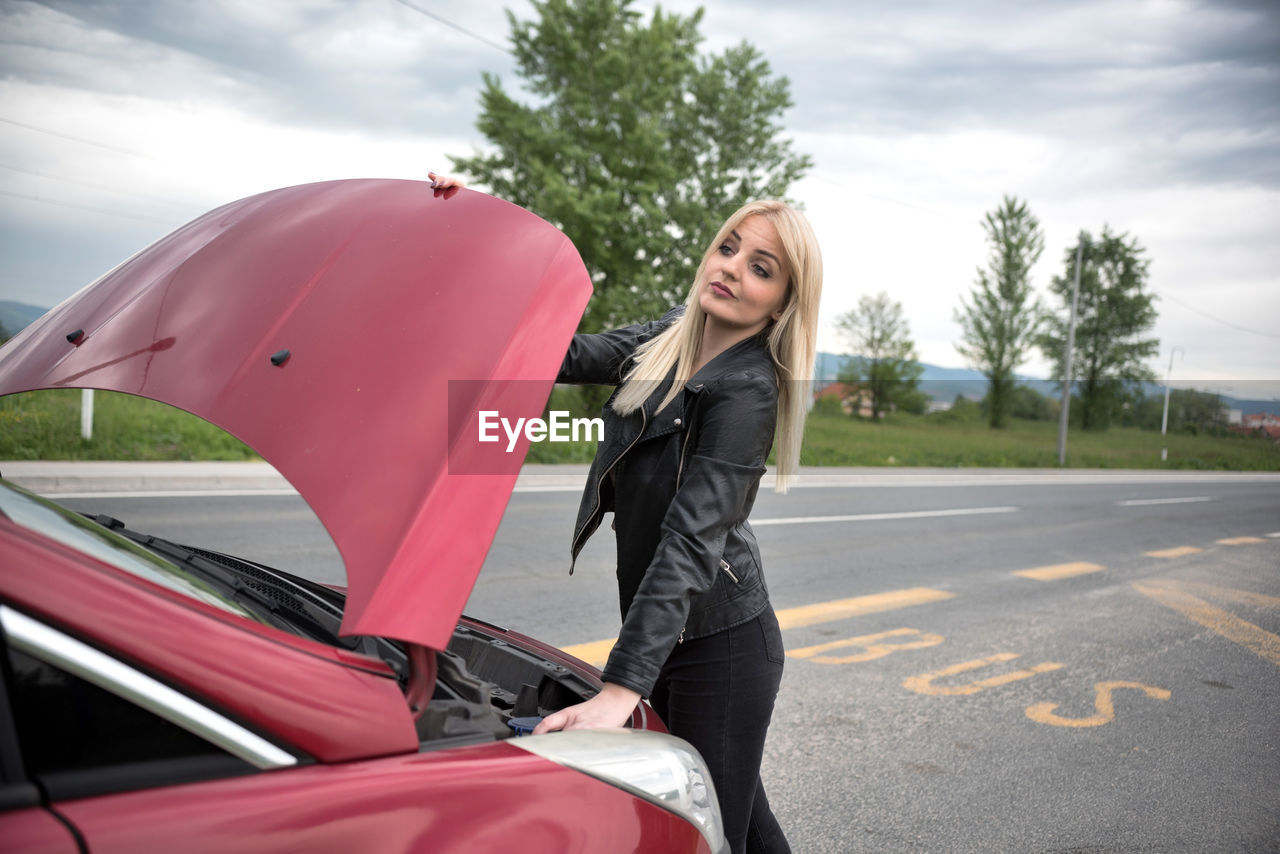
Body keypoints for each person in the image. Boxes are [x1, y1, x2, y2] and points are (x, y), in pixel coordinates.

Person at [429, 172, 822, 854]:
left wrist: (621, 687)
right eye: (728, 247)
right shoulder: (674, 335)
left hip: (719, 647)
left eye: (761, 268)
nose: (731, 268)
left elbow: (691, 541)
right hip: (668, 638)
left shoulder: (748, 391)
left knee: (707, 832)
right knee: (741, 826)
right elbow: (566, 351)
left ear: (783, 303)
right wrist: (473, 234)